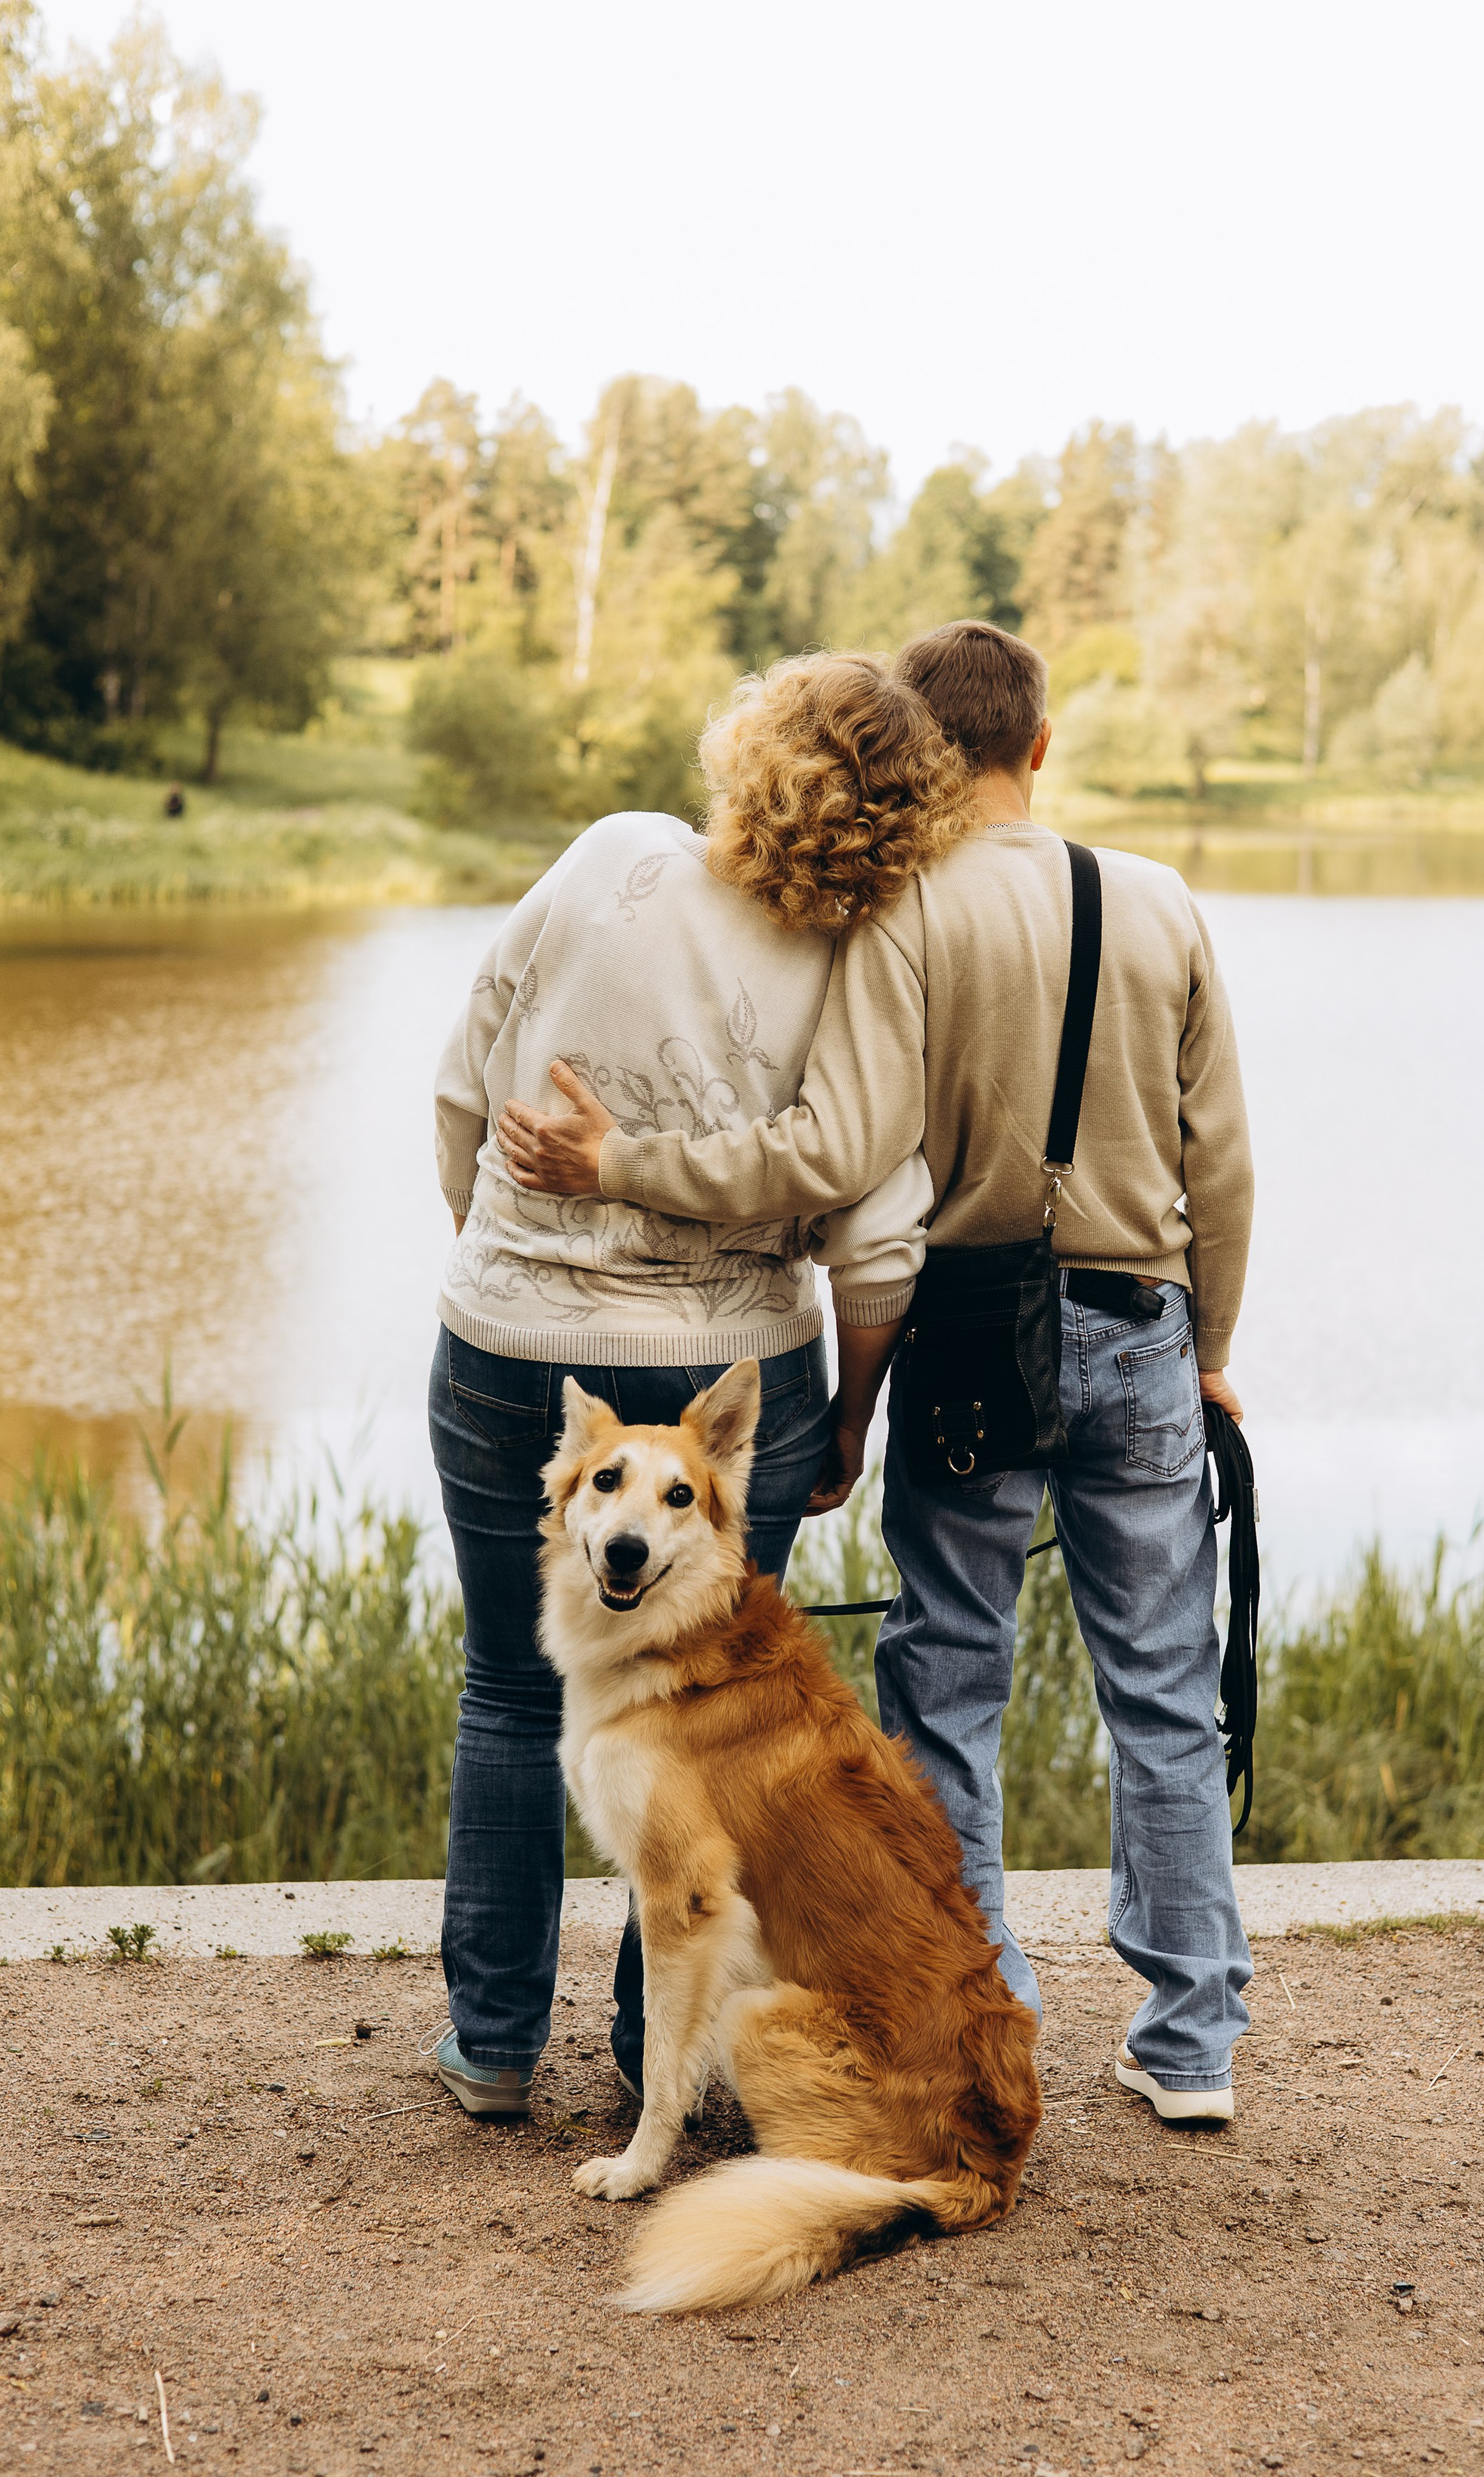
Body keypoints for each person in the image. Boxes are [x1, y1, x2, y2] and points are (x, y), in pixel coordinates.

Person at [500, 620, 1256, 2124]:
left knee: (947, 1697)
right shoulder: (1158, 904)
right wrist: (1211, 1352)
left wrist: (845, 1406)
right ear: (1037, 747)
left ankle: (996, 2008)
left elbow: (850, 1167)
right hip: (1143, 1323)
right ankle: (1189, 2051)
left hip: (974, 1337)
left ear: (924, 743)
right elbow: (1218, 1161)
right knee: (1166, 1701)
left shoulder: (907, 908)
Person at [427, 652, 968, 2118]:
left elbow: (464, 1079)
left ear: (749, 751)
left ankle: (485, 2046)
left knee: (500, 1681)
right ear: (901, 817)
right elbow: (875, 1239)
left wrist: (496, 1267)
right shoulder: (861, 953)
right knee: (701, 1717)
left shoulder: (612, 854)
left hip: (505, 1343)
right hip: (729, 1382)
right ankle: (643, 2054)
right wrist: (848, 1414)